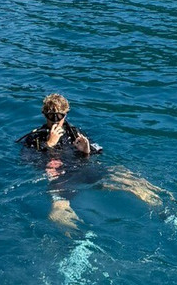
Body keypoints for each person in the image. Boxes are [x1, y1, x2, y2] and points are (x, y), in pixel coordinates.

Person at [16, 93, 163, 228]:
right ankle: (78, 239)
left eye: (59, 116)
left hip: (83, 169)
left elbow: (97, 152)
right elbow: (27, 160)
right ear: (44, 114)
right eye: (51, 116)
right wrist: (48, 144)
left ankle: (163, 208)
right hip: (61, 177)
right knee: (58, 210)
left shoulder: (75, 133)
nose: (55, 121)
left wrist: (86, 150)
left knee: (126, 176)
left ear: (66, 114)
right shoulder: (35, 138)